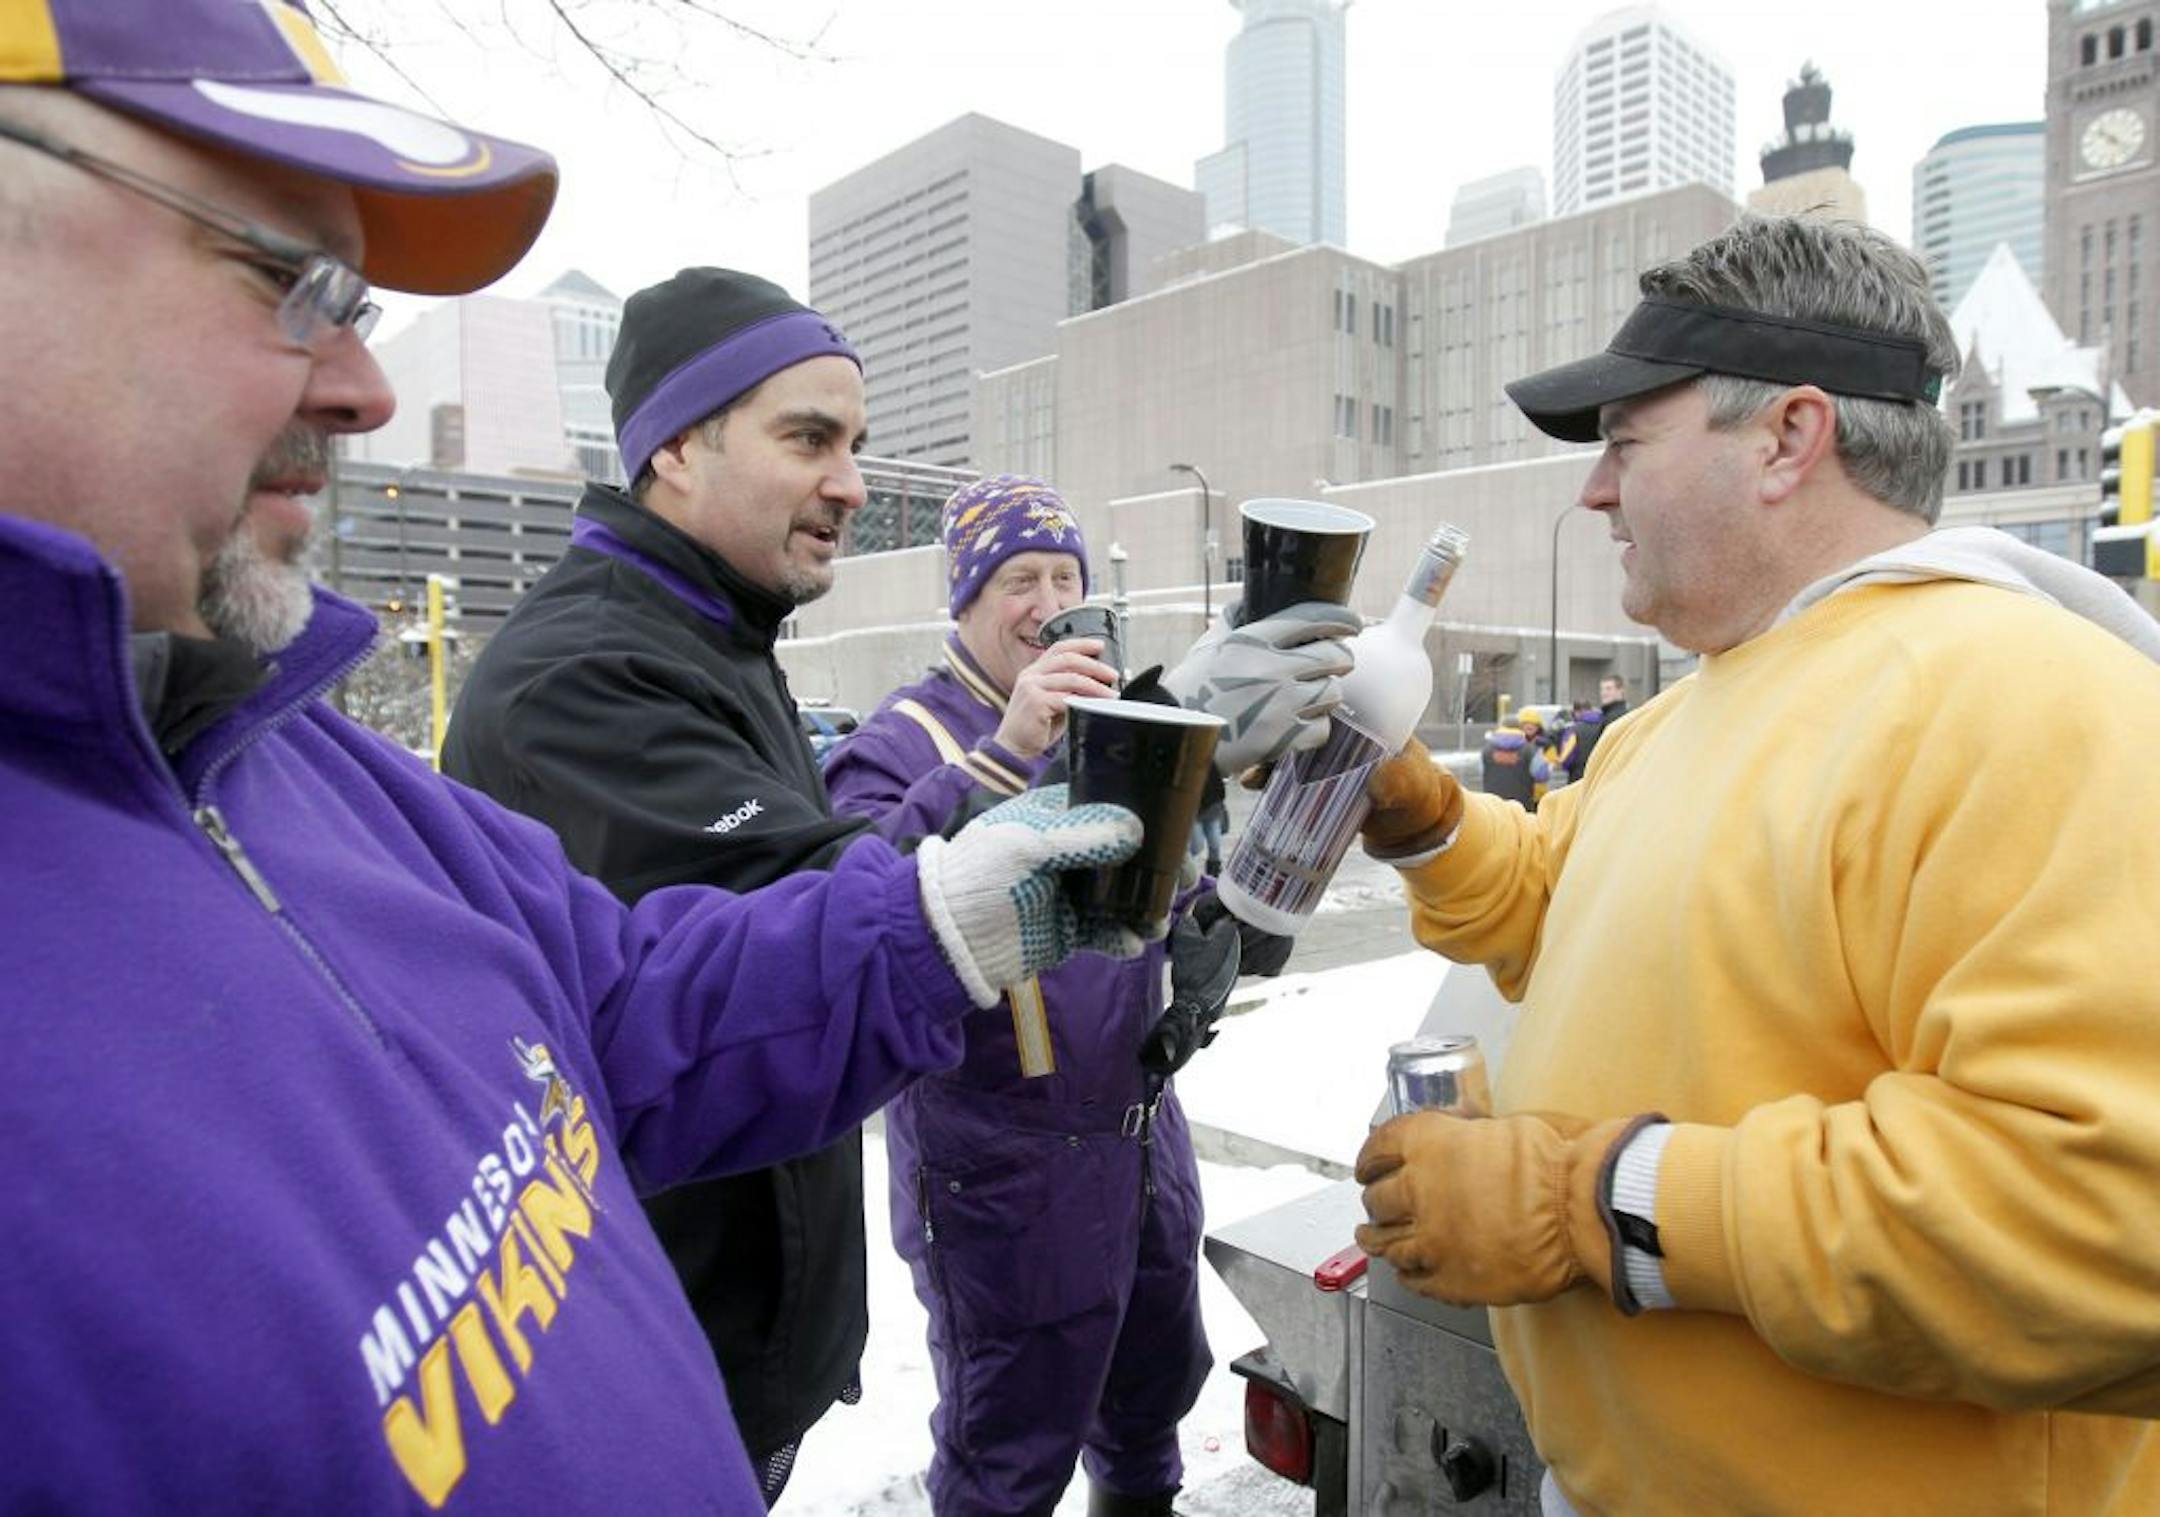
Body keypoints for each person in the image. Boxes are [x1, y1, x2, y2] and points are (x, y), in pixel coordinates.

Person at [0, 10, 1158, 1510]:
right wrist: (981, 788)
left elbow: (627, 1001)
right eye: (286, 277)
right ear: (674, 448)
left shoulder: (300, 764)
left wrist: (956, 920)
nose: (363, 386)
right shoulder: (576, 670)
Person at [1350, 215, 2160, 1516]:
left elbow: (2107, 1220)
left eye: (1625, 444)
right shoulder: (1684, 715)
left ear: (1790, 436)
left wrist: (1587, 1202)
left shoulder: (2033, 702)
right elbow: (1564, 898)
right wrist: (1422, 816)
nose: (1595, 492)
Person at [441, 266, 910, 1500]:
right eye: (808, 437)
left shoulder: (715, 631)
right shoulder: (585, 673)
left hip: (740, 1325)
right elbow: (815, 913)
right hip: (657, 1348)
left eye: (854, 443)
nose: (850, 484)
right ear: (676, 451)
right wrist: (1132, 781)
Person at [822, 475, 1269, 1517]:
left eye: (1065, 575)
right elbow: (849, 895)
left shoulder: (1113, 728)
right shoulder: (901, 739)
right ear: (964, 601)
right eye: (1018, 577)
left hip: (1141, 1130)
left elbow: (1174, 883)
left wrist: (1206, 933)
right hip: (1002, 1160)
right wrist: (1009, 745)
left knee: (1150, 1399)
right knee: (1010, 1449)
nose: (1046, 598)